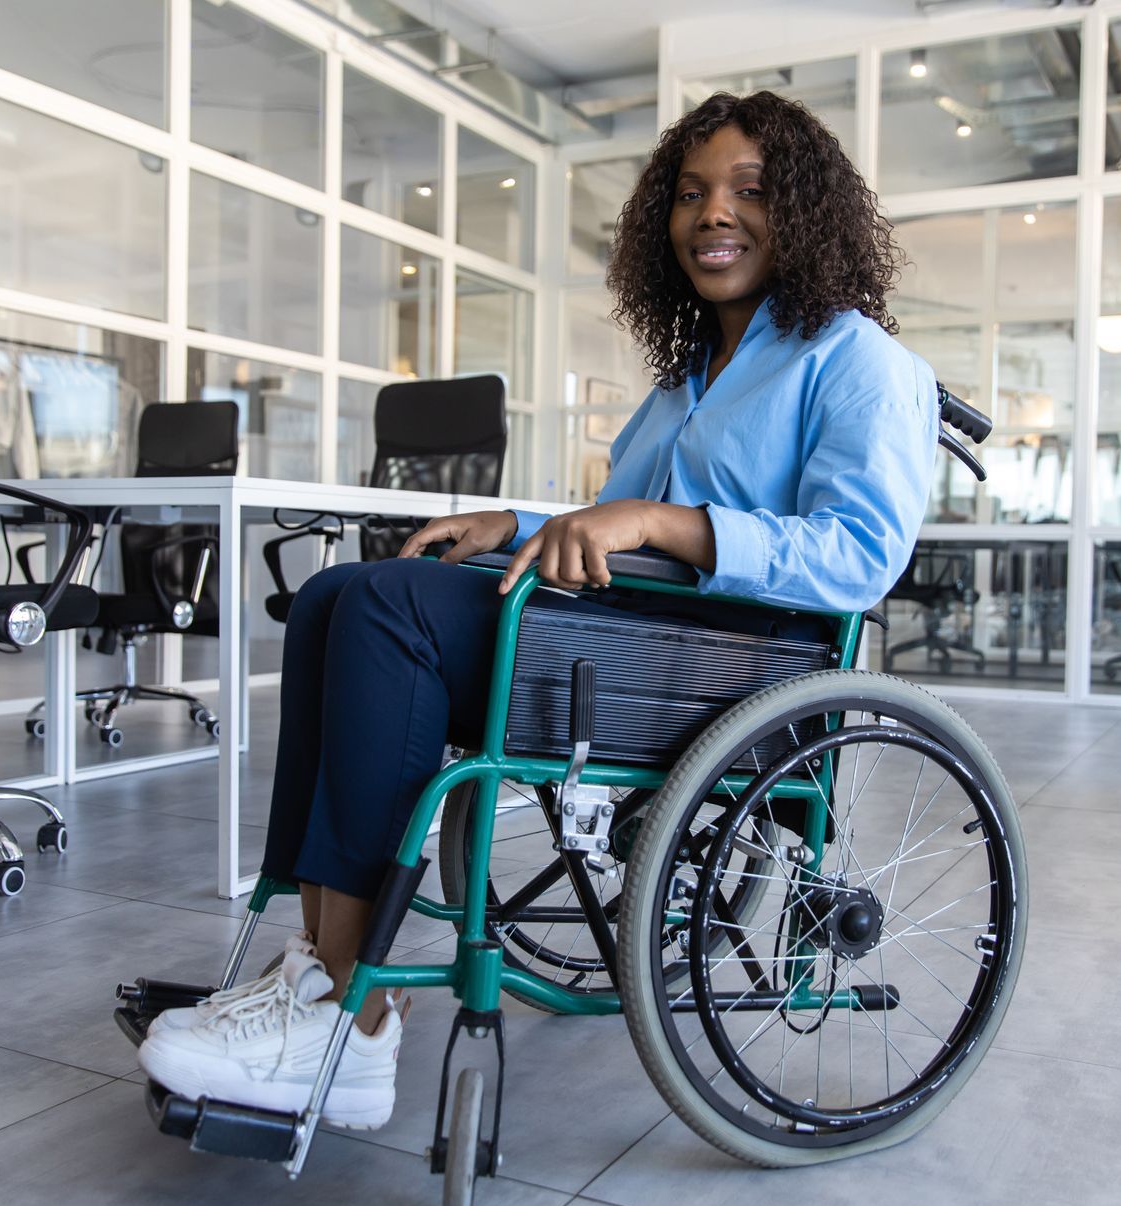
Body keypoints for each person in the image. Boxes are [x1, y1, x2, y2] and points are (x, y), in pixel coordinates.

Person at [137, 90, 939, 1128]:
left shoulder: (859, 360)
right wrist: (514, 522)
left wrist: (663, 521)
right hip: (631, 636)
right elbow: (614, 527)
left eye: (748, 189)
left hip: (724, 665)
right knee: (336, 596)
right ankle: (315, 976)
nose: (711, 215)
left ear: (805, 209)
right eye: (690, 194)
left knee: (390, 610)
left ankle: (352, 1016)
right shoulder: (689, 378)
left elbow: (858, 555)